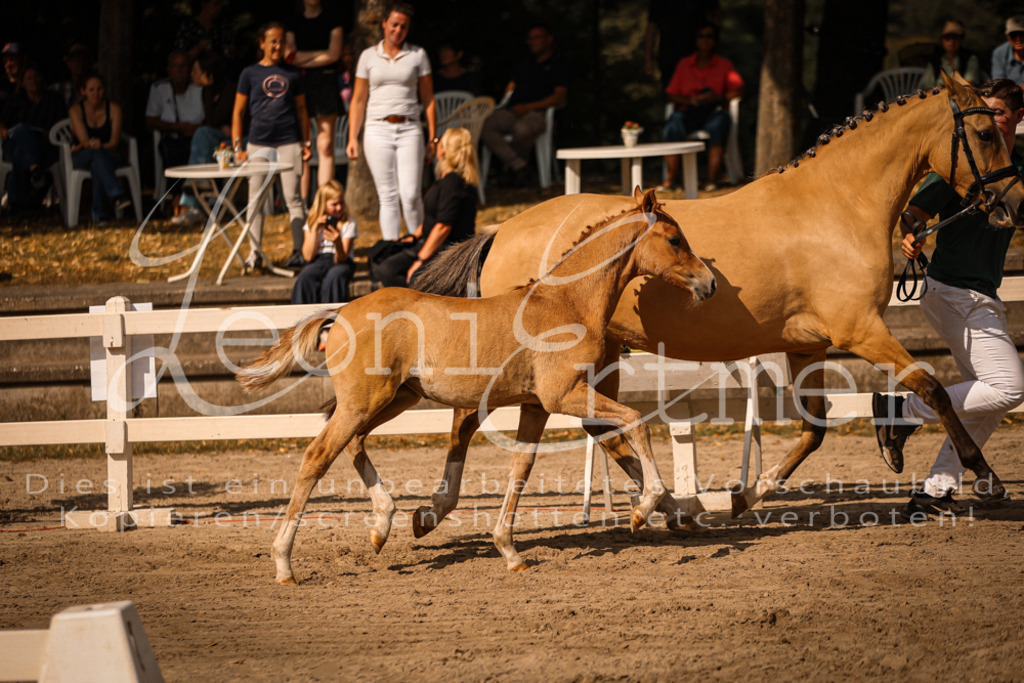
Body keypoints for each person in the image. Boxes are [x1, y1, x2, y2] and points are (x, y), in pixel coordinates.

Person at [873, 79, 1024, 517]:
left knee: (986, 402)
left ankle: (934, 493)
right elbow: (914, 213)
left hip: (980, 294)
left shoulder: (1015, 171)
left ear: (1016, 117)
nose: (991, 119)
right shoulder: (965, 164)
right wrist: (911, 236)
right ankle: (903, 409)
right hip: (954, 292)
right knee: (1010, 387)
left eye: (999, 112)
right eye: (987, 111)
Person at [347, 2, 436, 241]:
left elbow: (428, 98)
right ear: (384, 23)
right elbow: (357, 99)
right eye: (394, 25)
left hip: (409, 128)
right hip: (377, 128)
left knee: (410, 194)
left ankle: (418, 247)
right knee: (387, 195)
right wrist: (352, 137)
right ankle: (391, 249)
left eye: (403, 27)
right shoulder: (368, 56)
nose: (398, 31)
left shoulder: (418, 55)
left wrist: (433, 137)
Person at [232, 21, 311, 271]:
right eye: (273, 41)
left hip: (289, 143)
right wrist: (238, 147)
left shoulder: (293, 74)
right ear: (262, 43)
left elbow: (301, 110)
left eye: (282, 41)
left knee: (294, 199)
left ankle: (300, 251)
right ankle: (255, 253)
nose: (278, 46)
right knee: (255, 200)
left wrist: (305, 142)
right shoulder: (249, 74)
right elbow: (238, 112)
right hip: (258, 144)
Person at [372, 126, 477, 288]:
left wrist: (420, 259)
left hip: (449, 250)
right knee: (382, 260)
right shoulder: (447, 180)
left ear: (442, 151)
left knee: (411, 277)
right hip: (430, 243)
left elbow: (443, 226)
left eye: (437, 142)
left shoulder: (453, 183)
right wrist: (413, 236)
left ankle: (415, 307)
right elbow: (433, 217)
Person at [480, 23, 568, 187]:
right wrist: (506, 100)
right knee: (484, 124)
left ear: (549, 39)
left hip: (537, 113)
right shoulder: (525, 64)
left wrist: (529, 107)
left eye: (537, 37)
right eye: (530, 38)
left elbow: (559, 97)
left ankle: (514, 172)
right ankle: (519, 166)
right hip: (511, 111)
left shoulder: (557, 63)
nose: (532, 41)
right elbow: (511, 87)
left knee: (522, 130)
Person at [659, 22, 743, 192]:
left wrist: (717, 97)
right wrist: (690, 100)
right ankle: (671, 180)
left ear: (715, 40)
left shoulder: (724, 65)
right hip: (689, 111)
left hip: (714, 111)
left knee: (721, 121)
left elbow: (740, 90)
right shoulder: (684, 64)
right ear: (696, 40)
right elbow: (670, 94)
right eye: (701, 36)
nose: (705, 40)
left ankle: (711, 180)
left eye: (709, 36)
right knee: (674, 122)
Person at [286, 0, 346, 207]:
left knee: (325, 145)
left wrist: (302, 59)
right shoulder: (293, 22)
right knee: (303, 145)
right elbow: (289, 56)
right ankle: (301, 203)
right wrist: (319, 57)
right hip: (299, 83)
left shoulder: (333, 19)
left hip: (326, 83)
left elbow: (334, 54)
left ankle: (325, 202)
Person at [175, 51, 236, 226]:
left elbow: (215, 119)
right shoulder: (206, 92)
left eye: (195, 71)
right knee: (204, 136)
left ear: (208, 72)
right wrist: (220, 127)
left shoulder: (230, 90)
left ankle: (194, 203)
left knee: (203, 135)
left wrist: (221, 127)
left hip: (239, 141)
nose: (191, 75)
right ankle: (201, 203)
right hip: (218, 140)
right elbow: (213, 121)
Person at [146, 50, 205, 217]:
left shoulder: (198, 87)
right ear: (168, 69)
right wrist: (177, 127)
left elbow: (209, 118)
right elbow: (150, 120)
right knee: (168, 148)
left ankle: (192, 199)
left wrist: (193, 129)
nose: (179, 70)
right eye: (175, 66)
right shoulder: (159, 88)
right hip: (171, 136)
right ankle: (177, 195)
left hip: (196, 136)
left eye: (183, 66)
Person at [68, 72, 132, 223]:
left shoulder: (114, 109)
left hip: (109, 153)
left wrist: (100, 145)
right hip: (83, 154)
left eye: (99, 89)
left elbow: (114, 143)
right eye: (91, 90)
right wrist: (91, 145)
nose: (95, 94)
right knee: (95, 155)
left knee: (98, 162)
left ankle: (101, 215)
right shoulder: (76, 111)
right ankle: (116, 195)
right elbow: (84, 140)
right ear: (83, 91)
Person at [0, 64, 65, 212]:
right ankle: (34, 169)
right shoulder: (16, 100)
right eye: (29, 78)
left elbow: (63, 123)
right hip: (14, 142)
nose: (33, 81)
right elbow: (3, 121)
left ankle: (17, 206)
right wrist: (3, 129)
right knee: (22, 130)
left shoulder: (53, 99)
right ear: (22, 82)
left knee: (19, 154)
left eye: (36, 77)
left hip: (44, 146)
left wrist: (50, 132)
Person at [291, 179, 357, 304]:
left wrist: (337, 241)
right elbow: (308, 256)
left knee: (334, 277)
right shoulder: (311, 222)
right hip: (318, 259)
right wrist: (315, 230)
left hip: (340, 261)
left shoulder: (348, 223)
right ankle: (303, 316)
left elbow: (341, 258)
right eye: (334, 204)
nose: (339, 208)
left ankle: (331, 315)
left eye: (341, 203)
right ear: (323, 203)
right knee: (305, 276)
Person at [644, 0, 720, 89]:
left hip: (696, 55)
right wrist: (648, 59)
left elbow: (716, 14)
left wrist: (712, 42)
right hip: (669, 56)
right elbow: (652, 26)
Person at [174, 0, 235, 66]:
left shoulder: (222, 26)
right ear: (204, 4)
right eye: (215, 4)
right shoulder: (189, 26)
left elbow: (231, 51)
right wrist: (198, 48)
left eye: (220, 5)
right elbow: (179, 58)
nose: (219, 8)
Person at [923, 20, 980, 88]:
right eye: (947, 38)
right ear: (942, 40)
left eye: (955, 38)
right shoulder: (934, 60)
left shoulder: (970, 58)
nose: (951, 42)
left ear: (961, 39)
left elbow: (969, 83)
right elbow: (927, 87)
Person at [53, 43, 92, 108]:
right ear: (69, 64)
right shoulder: (59, 88)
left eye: (84, 61)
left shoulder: (94, 88)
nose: (81, 65)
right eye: (77, 61)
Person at [991, 15, 1024, 84]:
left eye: (1022, 34)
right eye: (1013, 35)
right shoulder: (999, 53)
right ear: (1008, 36)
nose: (1018, 39)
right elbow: (999, 84)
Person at [1, 42, 27, 109]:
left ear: (23, 59)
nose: (8, 64)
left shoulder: (32, 82)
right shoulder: (2, 84)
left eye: (12, 59)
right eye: (5, 61)